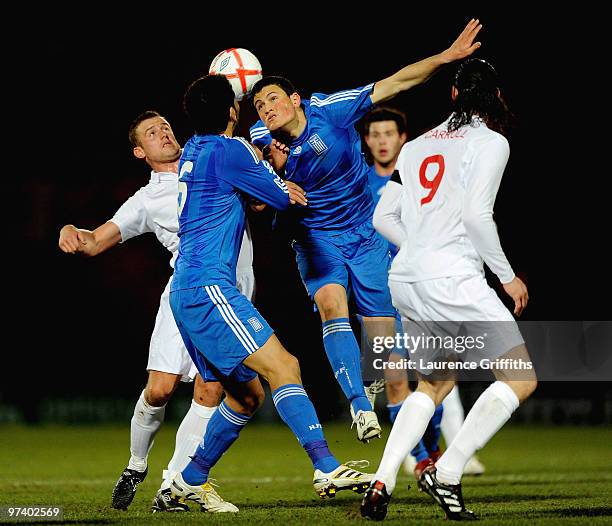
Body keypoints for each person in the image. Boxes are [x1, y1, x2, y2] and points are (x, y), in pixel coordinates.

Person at [249, 19, 483, 443]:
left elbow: (396, 82)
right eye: (259, 104)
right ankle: (359, 406)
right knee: (332, 308)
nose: (265, 108)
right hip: (314, 239)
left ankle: (420, 449)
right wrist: (275, 177)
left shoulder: (330, 111)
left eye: (273, 99)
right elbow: (256, 199)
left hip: (364, 234)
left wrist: (446, 57)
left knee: (384, 352)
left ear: (296, 99)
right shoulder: (259, 140)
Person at [167, 74, 373, 510]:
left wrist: (266, 181)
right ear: (232, 112)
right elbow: (285, 199)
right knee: (285, 365)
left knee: (247, 396)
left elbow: (252, 196)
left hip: (186, 290)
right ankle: (325, 465)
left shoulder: (193, 151)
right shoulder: (233, 149)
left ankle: (189, 479)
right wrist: (277, 176)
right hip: (210, 287)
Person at [361, 58, 537, 521]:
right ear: (495, 97)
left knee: (434, 383)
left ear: (454, 95)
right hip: (453, 279)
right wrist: (506, 276)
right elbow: (479, 217)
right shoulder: (491, 142)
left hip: (407, 279)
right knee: (520, 378)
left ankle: (382, 479)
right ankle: (448, 471)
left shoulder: (416, 145)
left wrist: (420, 246)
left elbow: (382, 218)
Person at [58, 110, 253, 512]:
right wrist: (70, 230)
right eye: (151, 132)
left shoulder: (208, 161)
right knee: (160, 389)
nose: (163, 132)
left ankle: (174, 485)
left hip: (232, 292)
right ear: (139, 151)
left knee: (210, 388)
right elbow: (95, 241)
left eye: (165, 126)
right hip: (186, 294)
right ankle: (136, 465)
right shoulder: (147, 200)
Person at [362, 107, 485, 477]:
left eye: (389, 134)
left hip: (424, 289)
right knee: (396, 377)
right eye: (375, 134)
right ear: (367, 141)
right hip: (378, 295)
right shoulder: (358, 184)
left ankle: (432, 448)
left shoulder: (423, 176)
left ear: (403, 138)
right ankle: (419, 459)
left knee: (436, 381)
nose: (383, 141)